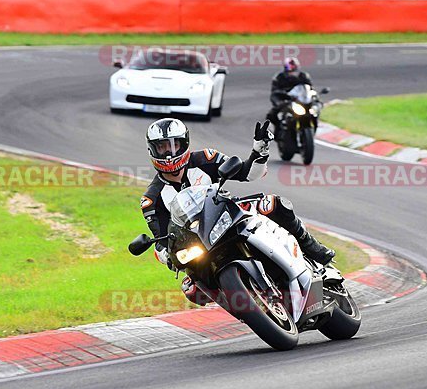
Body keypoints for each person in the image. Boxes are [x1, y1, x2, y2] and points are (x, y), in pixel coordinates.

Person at [140, 117, 335, 305]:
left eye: (174, 145)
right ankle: (247, 306)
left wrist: (260, 149)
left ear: (185, 144)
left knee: (273, 205)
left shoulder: (205, 158)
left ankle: (313, 248)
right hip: (199, 243)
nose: (169, 152)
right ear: (152, 150)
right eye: (163, 147)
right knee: (193, 292)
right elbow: (161, 241)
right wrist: (167, 256)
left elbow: (248, 173)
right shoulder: (152, 199)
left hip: (227, 215)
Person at [267, 56, 313, 126]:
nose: (292, 72)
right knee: (271, 114)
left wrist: (313, 96)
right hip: (286, 99)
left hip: (300, 100)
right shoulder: (279, 77)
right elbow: (274, 92)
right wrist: (280, 99)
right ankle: (278, 129)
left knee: (315, 109)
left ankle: (314, 123)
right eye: (290, 69)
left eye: (294, 68)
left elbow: (310, 88)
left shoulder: (304, 76)